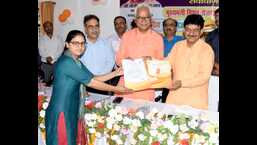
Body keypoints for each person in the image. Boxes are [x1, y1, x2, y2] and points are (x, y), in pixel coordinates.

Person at [45, 30, 132, 145]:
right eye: (75, 43)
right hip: (62, 111)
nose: (80, 46)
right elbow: (91, 83)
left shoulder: (76, 61)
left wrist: (115, 73)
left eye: (82, 43)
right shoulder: (67, 62)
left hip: (70, 108)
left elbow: (93, 78)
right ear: (67, 44)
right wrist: (117, 89)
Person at [116, 3, 164, 101]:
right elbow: (118, 60)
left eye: (146, 17)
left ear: (151, 19)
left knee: (143, 115)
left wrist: (151, 61)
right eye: (140, 18)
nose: (143, 21)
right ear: (135, 19)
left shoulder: (158, 38)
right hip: (126, 86)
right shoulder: (127, 36)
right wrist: (126, 62)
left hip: (146, 88)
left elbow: (161, 64)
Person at [165, 14, 214, 110]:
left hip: (195, 103)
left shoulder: (206, 50)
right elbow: (166, 63)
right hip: (174, 100)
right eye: (188, 29)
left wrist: (182, 83)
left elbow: (204, 77)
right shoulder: (178, 46)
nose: (191, 33)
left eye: (195, 30)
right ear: (184, 30)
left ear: (201, 32)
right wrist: (150, 62)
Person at [80, 14, 116, 96]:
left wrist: (102, 76)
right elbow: (79, 64)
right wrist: (92, 77)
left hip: (103, 83)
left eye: (96, 26)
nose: (94, 29)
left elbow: (111, 61)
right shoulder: (80, 44)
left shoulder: (106, 43)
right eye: (90, 27)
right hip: (85, 83)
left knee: (102, 107)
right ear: (85, 29)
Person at [155, 18, 183, 103]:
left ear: (176, 28)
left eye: (171, 25)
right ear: (163, 28)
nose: (168, 27)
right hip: (162, 77)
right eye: (166, 25)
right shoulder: (158, 40)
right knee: (165, 102)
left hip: (178, 76)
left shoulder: (182, 40)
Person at [38, 21, 64, 85]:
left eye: (50, 26)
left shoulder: (58, 37)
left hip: (57, 63)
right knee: (45, 82)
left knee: (58, 81)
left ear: (52, 27)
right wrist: (47, 57)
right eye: (46, 27)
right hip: (45, 64)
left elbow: (60, 50)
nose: (48, 28)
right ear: (44, 28)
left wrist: (52, 57)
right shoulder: (41, 39)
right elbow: (41, 51)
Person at [206, 8, 219, 76]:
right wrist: (216, 66)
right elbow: (207, 54)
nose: (217, 19)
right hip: (215, 72)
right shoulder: (210, 35)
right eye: (216, 16)